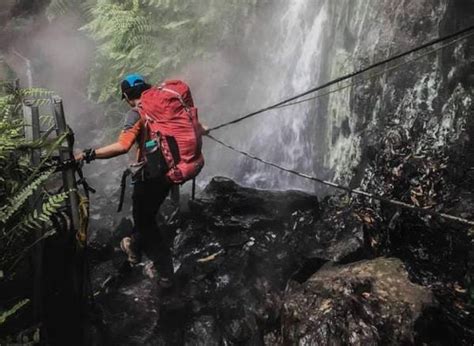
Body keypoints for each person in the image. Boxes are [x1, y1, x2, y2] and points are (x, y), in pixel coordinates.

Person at [75, 73, 203, 290]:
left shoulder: (137, 113)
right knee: (147, 215)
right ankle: (134, 245)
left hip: (154, 174)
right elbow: (192, 124)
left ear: (126, 96)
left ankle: (164, 272)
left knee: (144, 221)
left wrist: (88, 154)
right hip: (176, 168)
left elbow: (123, 146)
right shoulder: (167, 103)